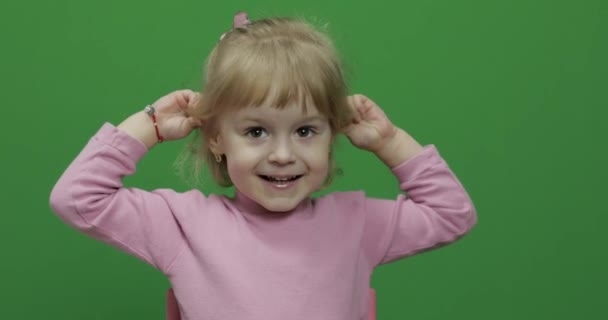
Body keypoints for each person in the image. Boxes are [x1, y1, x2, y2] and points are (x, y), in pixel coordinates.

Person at [49, 12, 477, 320]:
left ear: (335, 133)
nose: (283, 154)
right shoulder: (182, 224)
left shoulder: (355, 223)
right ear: (215, 137)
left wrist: (390, 142)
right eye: (256, 132)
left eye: (306, 131)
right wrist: (149, 126)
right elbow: (76, 199)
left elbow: (452, 214)